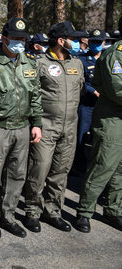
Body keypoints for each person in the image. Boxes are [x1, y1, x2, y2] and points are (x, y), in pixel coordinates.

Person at [0, 17, 43, 239]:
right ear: (4, 38)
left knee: (17, 175)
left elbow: (35, 96)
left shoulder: (29, 63)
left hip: (23, 127)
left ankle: (9, 216)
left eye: (22, 39)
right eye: (15, 38)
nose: (19, 43)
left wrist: (37, 124)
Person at [23, 21, 85, 233]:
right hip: (46, 126)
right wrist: (36, 123)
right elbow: (31, 95)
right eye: (73, 39)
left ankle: (53, 211)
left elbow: (81, 89)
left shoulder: (77, 64)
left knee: (61, 171)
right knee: (39, 169)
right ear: (61, 40)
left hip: (69, 127)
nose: (77, 42)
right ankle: (32, 211)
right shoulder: (39, 63)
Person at [75, 16, 122, 233]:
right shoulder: (115, 55)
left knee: (120, 170)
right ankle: (84, 211)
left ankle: (113, 209)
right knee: (103, 166)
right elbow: (116, 90)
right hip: (111, 120)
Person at [74, 29, 107, 174]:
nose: (95, 45)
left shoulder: (107, 58)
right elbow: (80, 81)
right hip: (86, 104)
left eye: (98, 42)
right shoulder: (81, 59)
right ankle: (78, 166)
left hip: (102, 105)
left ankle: (95, 167)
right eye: (93, 42)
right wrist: (93, 91)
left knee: (99, 138)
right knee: (80, 137)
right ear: (88, 42)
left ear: (103, 43)